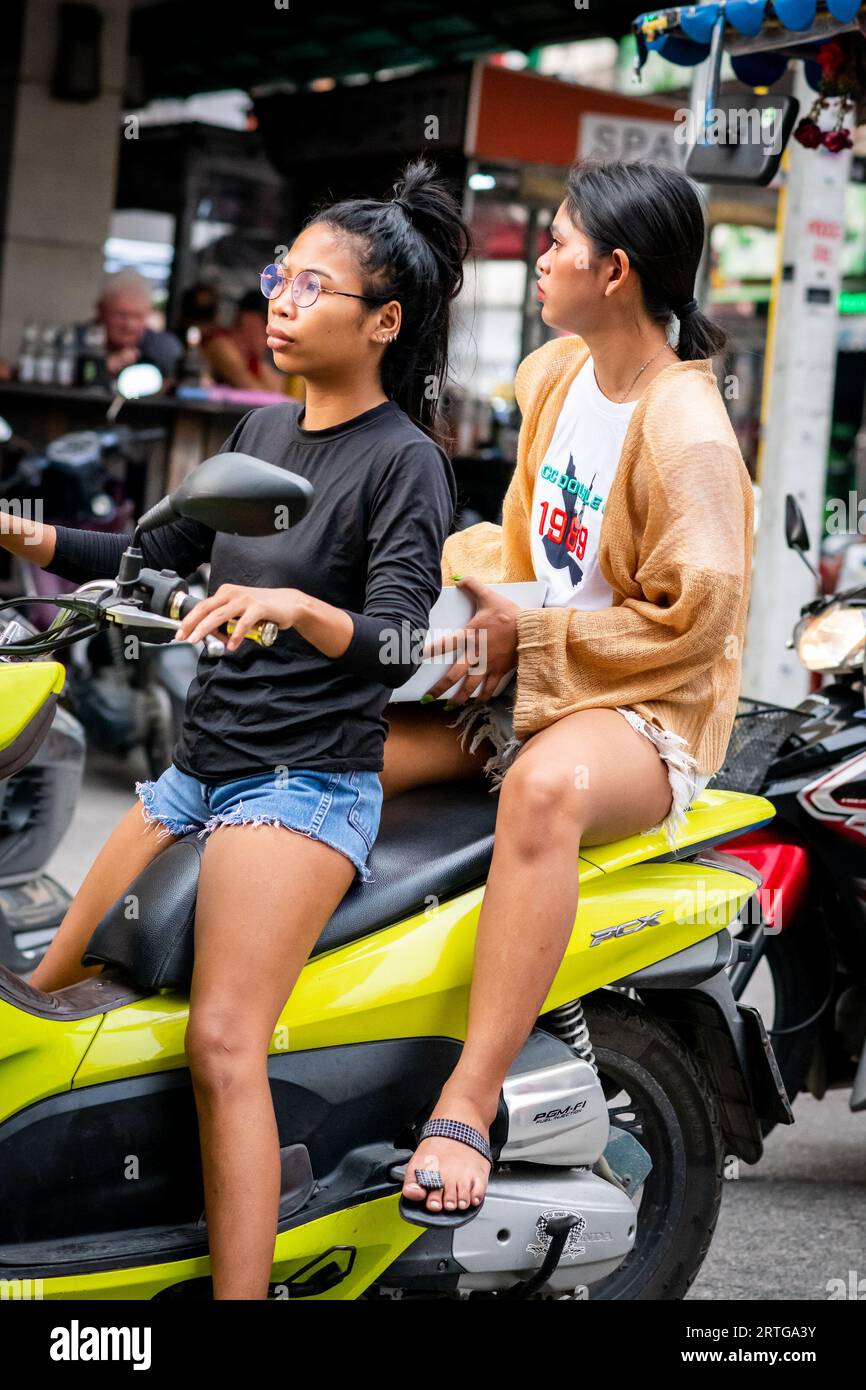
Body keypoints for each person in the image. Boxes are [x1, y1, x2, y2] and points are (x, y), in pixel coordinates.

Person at [0, 158, 467, 1298]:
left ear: (384, 321)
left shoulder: (403, 461)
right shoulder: (261, 426)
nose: (282, 300)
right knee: (51, 1000)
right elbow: (158, 555)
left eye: (313, 285)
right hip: (198, 773)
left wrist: (300, 609)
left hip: (301, 786)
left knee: (222, 1044)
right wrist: (34, 543)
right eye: (279, 276)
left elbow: (400, 640)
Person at [380, 156, 755, 1219]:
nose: (537, 257)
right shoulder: (552, 376)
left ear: (617, 271)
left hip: (643, 708)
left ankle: (468, 1093)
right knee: (342, 741)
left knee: (542, 789)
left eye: (554, 243)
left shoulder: (685, 433)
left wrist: (531, 638)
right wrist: (460, 592)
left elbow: (697, 623)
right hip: (530, 665)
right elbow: (518, 538)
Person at [79, 270, 183, 387]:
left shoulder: (165, 349)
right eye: (121, 315)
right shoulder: (75, 341)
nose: (129, 325)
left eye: (137, 316)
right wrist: (104, 367)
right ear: (100, 311)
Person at [200, 289, 288, 393]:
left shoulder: (252, 359)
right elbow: (255, 392)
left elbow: (282, 391)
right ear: (247, 321)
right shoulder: (219, 344)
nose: (273, 331)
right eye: (266, 322)